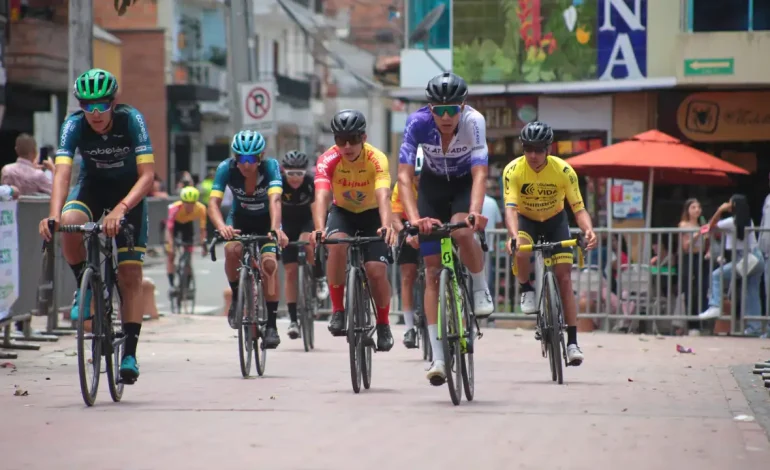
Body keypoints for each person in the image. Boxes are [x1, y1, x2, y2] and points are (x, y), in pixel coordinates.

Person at [38, 68, 154, 384]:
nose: (96, 113)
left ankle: (129, 353)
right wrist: (54, 215)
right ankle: (85, 289)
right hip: (92, 186)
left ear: (113, 103)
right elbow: (62, 174)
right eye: (88, 106)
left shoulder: (132, 120)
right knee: (70, 224)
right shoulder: (73, 124)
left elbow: (147, 176)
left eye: (102, 105)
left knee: (130, 274)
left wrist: (121, 209)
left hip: (129, 194)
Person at [397, 72, 494, 385]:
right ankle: (438, 358)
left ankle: (479, 288)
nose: (447, 116)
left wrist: (475, 213)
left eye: (453, 109)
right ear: (430, 109)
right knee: (432, 271)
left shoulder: (474, 121)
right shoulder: (417, 123)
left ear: (463, 107)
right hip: (432, 188)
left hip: (464, 185)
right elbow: (403, 177)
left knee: (463, 232)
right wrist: (414, 220)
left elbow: (480, 173)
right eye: (440, 110)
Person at [502, 121, 597, 366]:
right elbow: (510, 209)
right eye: (528, 149)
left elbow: (579, 208)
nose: (533, 155)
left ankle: (573, 341)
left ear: (549, 149)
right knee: (521, 249)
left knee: (564, 278)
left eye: (539, 149)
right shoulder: (513, 170)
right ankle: (526, 288)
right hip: (527, 220)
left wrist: (588, 230)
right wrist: (512, 235)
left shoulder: (564, 171)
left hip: (555, 221)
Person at [309, 109, 397, 352]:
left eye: (353, 139)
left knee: (376, 271)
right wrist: (319, 229)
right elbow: (322, 195)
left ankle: (383, 323)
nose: (347, 146)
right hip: (343, 213)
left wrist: (387, 224)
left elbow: (383, 195)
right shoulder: (328, 159)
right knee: (336, 245)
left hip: (372, 215)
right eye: (340, 140)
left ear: (364, 137)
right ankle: (338, 310)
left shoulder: (377, 159)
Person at [207, 130, 288, 348]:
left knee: (269, 264)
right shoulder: (226, 168)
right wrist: (222, 227)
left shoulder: (270, 167)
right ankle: (237, 296)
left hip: (266, 220)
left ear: (260, 157)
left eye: (251, 158)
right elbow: (213, 204)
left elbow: (275, 200)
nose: (246, 164)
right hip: (240, 218)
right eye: (240, 158)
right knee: (232, 251)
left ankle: (271, 324)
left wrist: (274, 229)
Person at [699, 195, 766, 337]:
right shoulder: (748, 220)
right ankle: (755, 328)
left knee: (717, 275)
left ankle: (715, 305)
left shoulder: (731, 221)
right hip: (756, 258)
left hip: (746, 259)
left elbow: (709, 227)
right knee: (752, 292)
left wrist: (719, 210)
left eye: (730, 203)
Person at [280, 150, 328, 340]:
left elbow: (317, 207)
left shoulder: (310, 182)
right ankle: (293, 320)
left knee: (308, 241)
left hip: (307, 221)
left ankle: (319, 278)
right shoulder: (280, 183)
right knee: (290, 271)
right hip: (287, 224)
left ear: (305, 173)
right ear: (285, 172)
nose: (295, 178)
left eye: (299, 174)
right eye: (291, 174)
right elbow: (272, 206)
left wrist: (319, 229)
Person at [392, 146, 424, 348]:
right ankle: (409, 327)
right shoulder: (401, 186)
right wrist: (406, 234)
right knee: (407, 275)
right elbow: (394, 217)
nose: (418, 179)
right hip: (408, 229)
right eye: (416, 175)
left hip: (432, 229)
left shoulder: (437, 184)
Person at [165, 186, 207, 294]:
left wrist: (203, 245)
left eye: (192, 203)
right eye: (186, 203)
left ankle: (187, 287)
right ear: (182, 201)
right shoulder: (174, 208)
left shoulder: (201, 208)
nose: (189, 206)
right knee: (171, 255)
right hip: (175, 226)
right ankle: (171, 285)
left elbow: (202, 230)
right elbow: (169, 229)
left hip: (187, 226)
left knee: (188, 257)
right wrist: (170, 245)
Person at [678, 198, 709, 335]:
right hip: (689, 257)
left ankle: (702, 322)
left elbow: (707, 242)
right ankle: (692, 325)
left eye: (699, 207)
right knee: (691, 291)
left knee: (702, 290)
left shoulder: (703, 223)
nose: (697, 210)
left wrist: (708, 250)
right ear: (688, 210)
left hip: (701, 258)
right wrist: (698, 234)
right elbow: (685, 246)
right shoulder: (684, 225)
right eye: (693, 207)